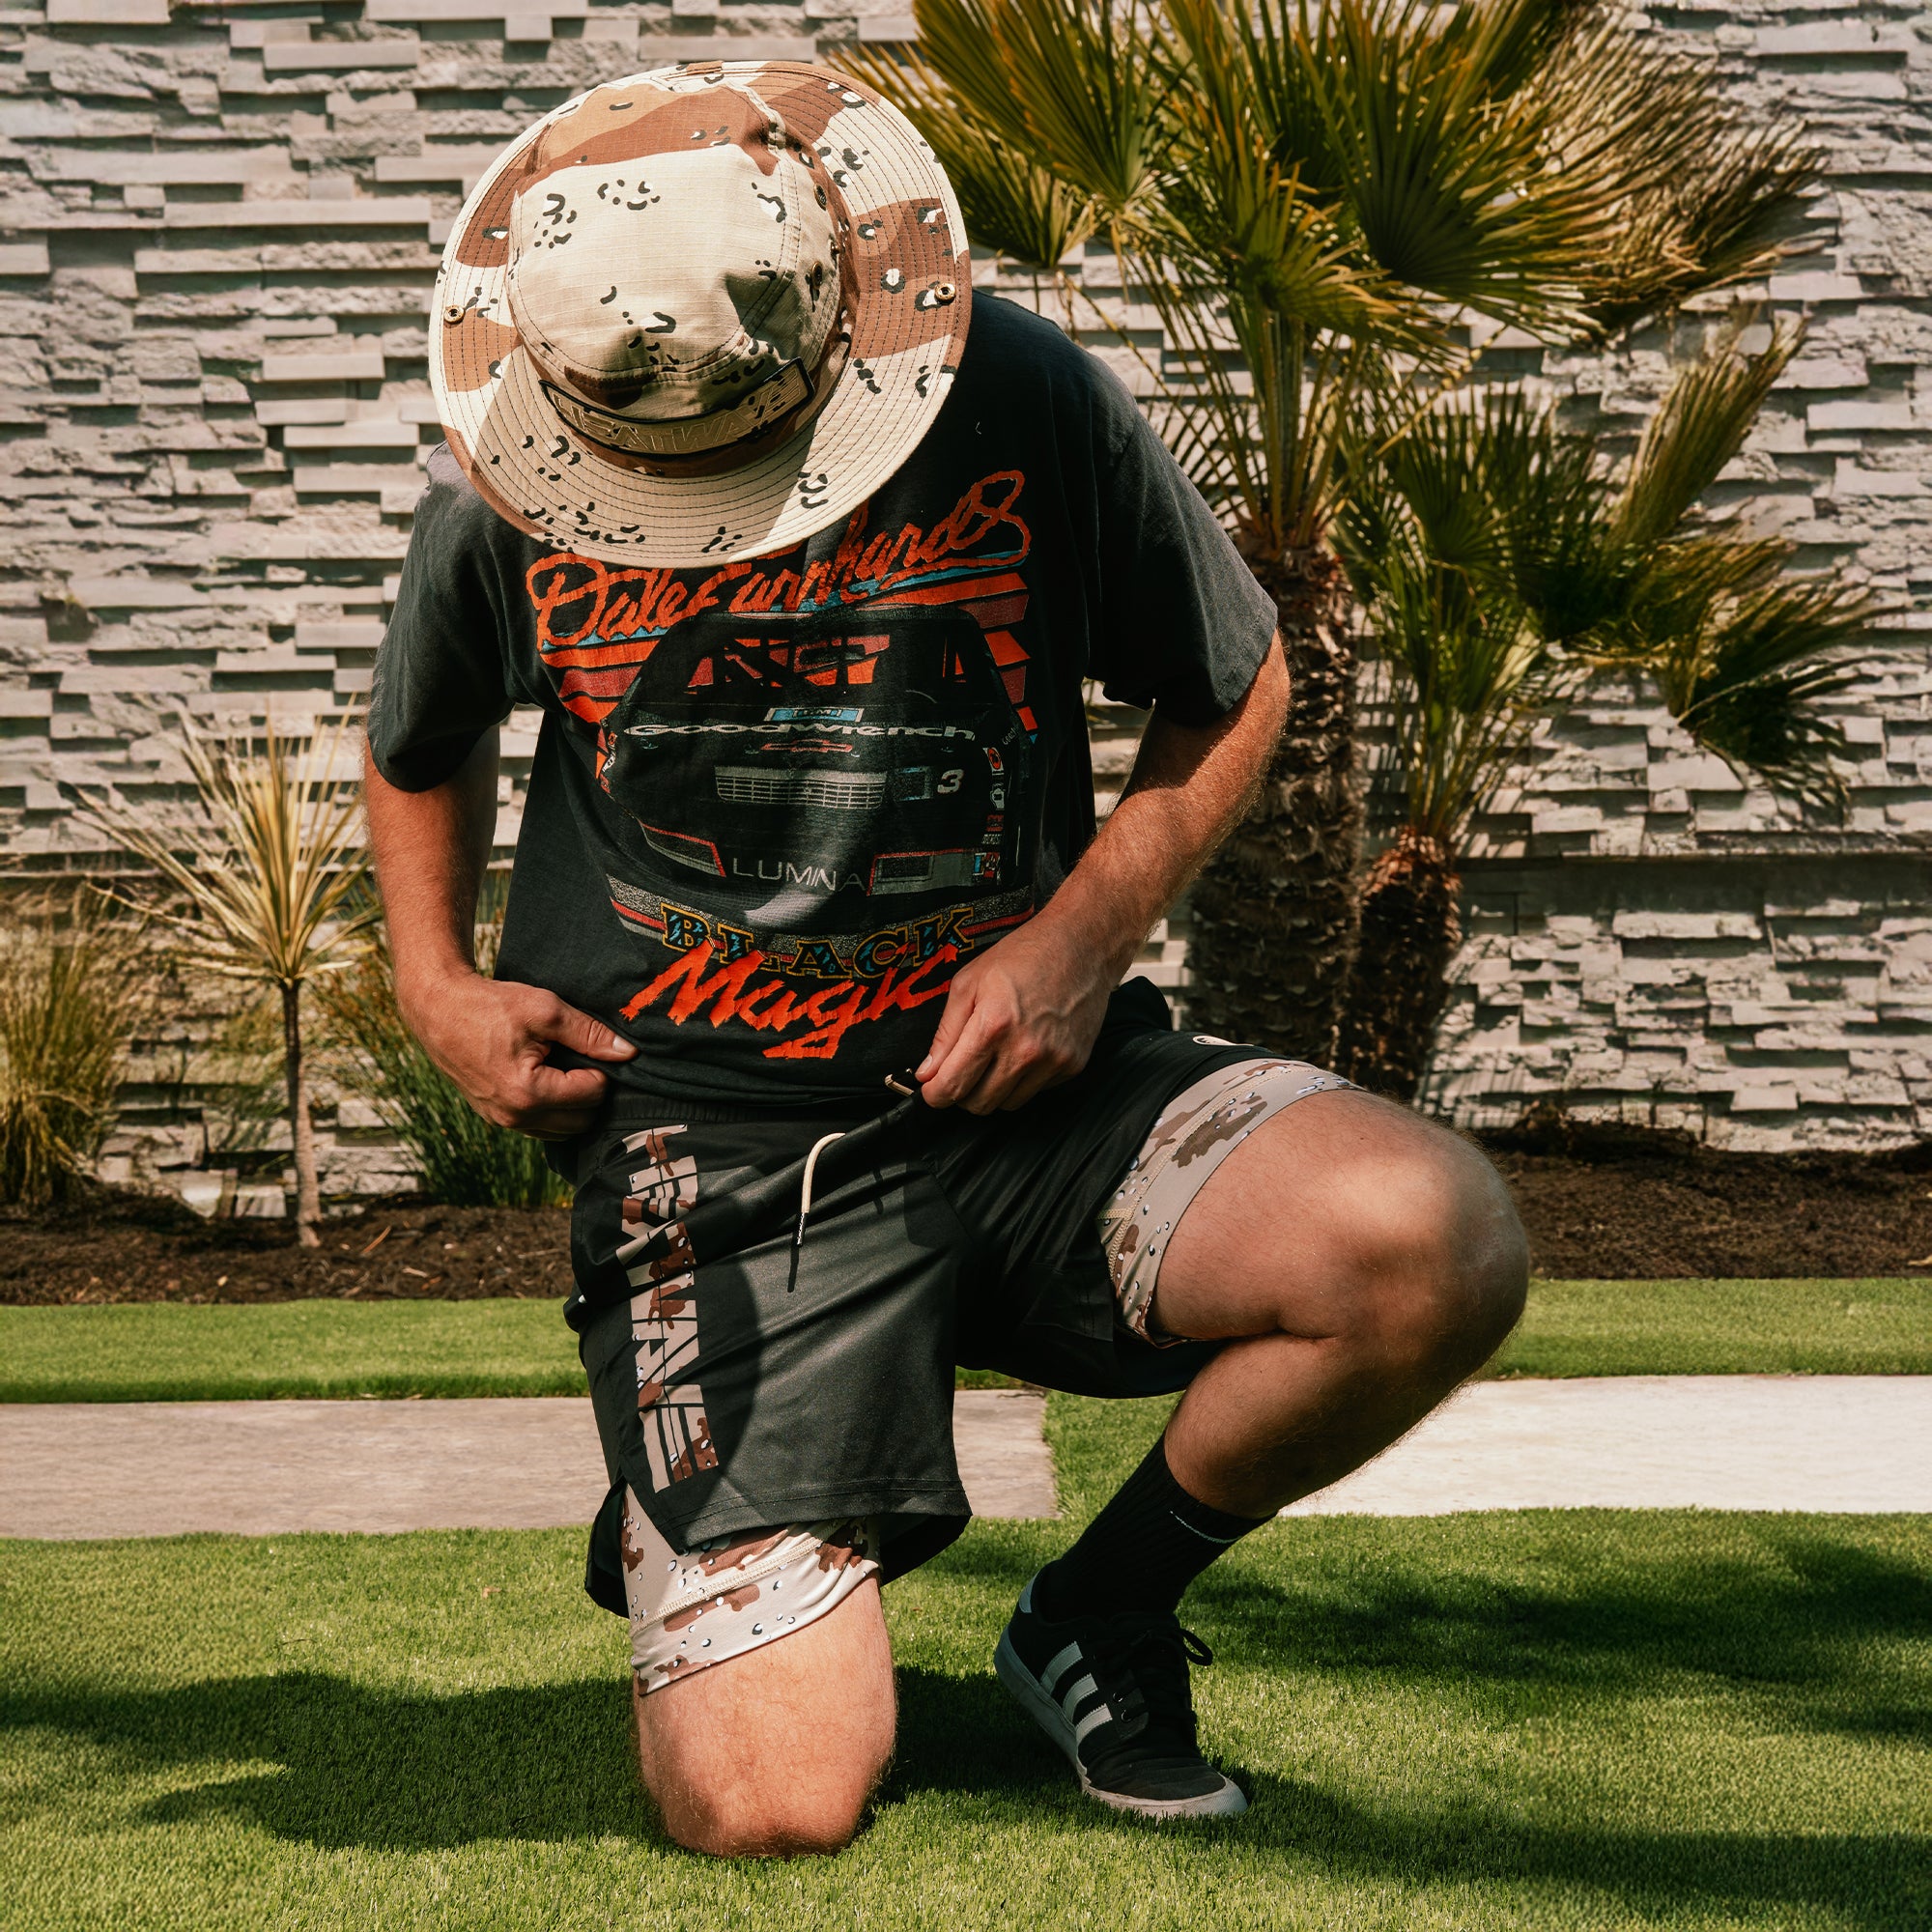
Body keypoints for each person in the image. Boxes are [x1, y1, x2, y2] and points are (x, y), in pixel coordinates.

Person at [364, 59, 1528, 1858]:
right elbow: (417, 743)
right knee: (767, 1805)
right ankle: (732, 1486)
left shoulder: (1027, 397)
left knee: (1427, 1242)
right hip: (712, 1159)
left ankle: (1100, 1612)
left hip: (1039, 1097)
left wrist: (1083, 940)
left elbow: (1236, 682)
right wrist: (433, 985)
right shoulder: (523, 459)